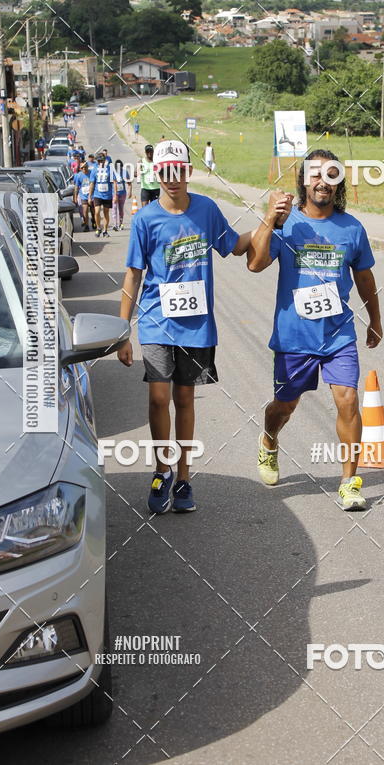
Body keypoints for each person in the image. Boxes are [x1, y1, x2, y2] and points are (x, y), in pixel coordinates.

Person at [117, 139, 252, 515]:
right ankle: (161, 471)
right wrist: (121, 331)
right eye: (165, 172)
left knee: (185, 400)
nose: (172, 179)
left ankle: (184, 477)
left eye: (179, 171)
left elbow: (235, 246)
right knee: (159, 398)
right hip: (157, 321)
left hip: (196, 326)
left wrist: (268, 224)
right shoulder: (145, 219)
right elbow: (133, 275)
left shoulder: (206, 210)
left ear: (188, 172)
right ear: (156, 174)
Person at [247, 150, 383, 512]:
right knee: (285, 406)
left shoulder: (351, 228)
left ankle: (349, 482)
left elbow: (365, 277)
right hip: (294, 336)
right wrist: (269, 220)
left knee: (349, 400)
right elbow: (256, 263)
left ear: (338, 181)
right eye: (315, 174)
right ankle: (269, 440)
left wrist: (376, 319)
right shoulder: (287, 223)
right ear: (304, 180)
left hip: (338, 334)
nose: (323, 181)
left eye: (331, 174)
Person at [88, 153, 113, 237]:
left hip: (107, 195)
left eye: (101, 161)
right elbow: (92, 183)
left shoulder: (110, 169)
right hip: (97, 194)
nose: (100, 163)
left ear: (104, 160)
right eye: (98, 161)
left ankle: (105, 231)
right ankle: (98, 228)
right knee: (97, 212)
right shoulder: (94, 169)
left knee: (106, 212)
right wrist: (89, 196)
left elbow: (114, 182)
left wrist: (115, 194)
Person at [73, 160, 93, 230]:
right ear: (80, 169)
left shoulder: (91, 173)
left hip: (92, 195)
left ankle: (94, 220)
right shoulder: (78, 176)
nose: (84, 169)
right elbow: (76, 187)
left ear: (87, 167)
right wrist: (75, 197)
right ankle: (86, 225)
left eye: (85, 167)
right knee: (85, 210)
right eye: (82, 168)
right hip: (83, 195)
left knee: (93, 211)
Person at [111, 159, 130, 231]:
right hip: (115, 194)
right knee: (114, 208)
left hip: (122, 193)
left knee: (121, 208)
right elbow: (114, 183)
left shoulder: (125, 172)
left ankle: (121, 223)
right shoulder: (113, 172)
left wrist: (130, 191)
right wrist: (115, 194)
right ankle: (115, 224)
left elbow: (129, 182)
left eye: (120, 167)